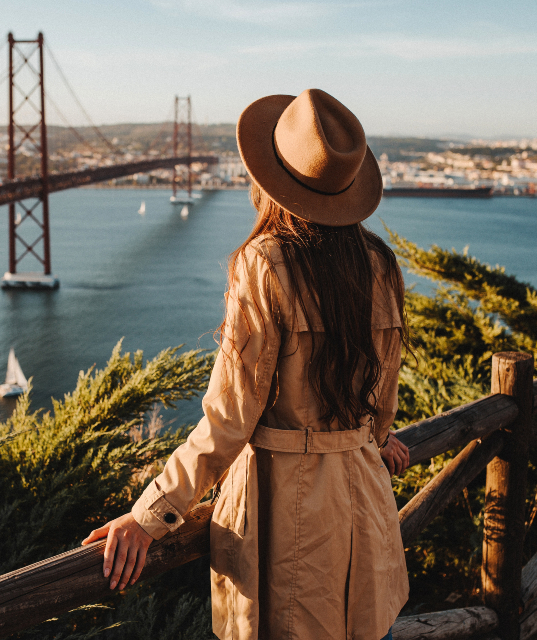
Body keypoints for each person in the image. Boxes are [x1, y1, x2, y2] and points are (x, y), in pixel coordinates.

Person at [82, 89, 411, 640]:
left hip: (290, 512)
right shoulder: (379, 261)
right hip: (366, 498)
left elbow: (229, 419)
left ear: (269, 180)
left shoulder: (264, 264)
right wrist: (374, 437)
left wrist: (149, 515)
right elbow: (381, 389)